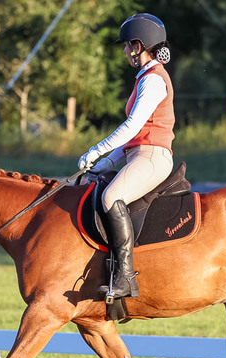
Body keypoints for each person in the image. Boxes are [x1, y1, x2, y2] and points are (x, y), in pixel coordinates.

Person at [78, 13, 175, 300]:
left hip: (153, 157)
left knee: (110, 197)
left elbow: (132, 126)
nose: (124, 52)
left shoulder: (154, 81)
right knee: (98, 188)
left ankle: (125, 277)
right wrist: (104, 162)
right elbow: (135, 136)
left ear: (138, 45)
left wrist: (97, 149)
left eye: (126, 46)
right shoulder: (144, 77)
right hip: (138, 154)